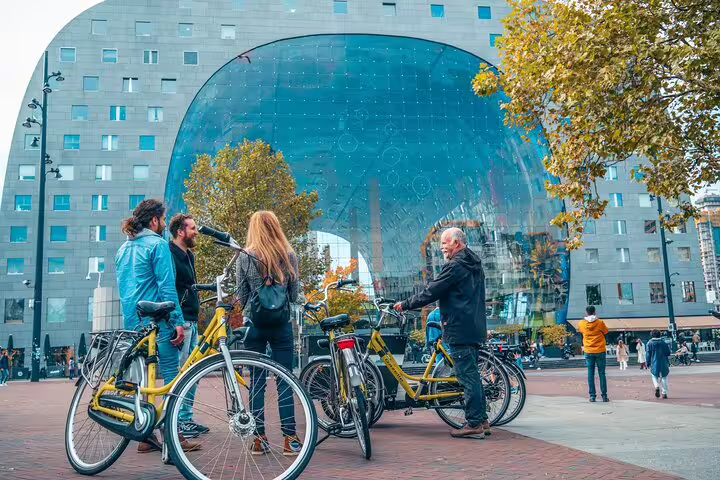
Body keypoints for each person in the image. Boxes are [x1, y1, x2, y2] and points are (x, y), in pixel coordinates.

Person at [115, 199, 199, 453]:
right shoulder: (158, 245)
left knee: (144, 379)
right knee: (173, 375)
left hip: (134, 324)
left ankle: (145, 435)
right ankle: (174, 435)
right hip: (158, 322)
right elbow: (166, 287)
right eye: (163, 220)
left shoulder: (122, 250)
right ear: (154, 221)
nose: (164, 224)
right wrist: (177, 323)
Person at [393, 227, 489, 438]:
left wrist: (405, 304)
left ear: (456, 243)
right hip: (474, 326)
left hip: (459, 328)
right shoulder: (474, 263)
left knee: (467, 377)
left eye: (445, 243)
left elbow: (432, 291)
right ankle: (482, 419)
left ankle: (474, 424)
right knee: (473, 375)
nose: (442, 247)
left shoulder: (455, 266)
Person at [235, 211, 302, 456]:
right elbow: (294, 296)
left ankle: (259, 439)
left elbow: (241, 298)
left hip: (256, 325)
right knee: (285, 379)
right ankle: (290, 439)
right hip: (282, 326)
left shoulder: (245, 256)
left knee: (257, 383)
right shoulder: (290, 256)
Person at [168, 213, 209, 437]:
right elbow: (170, 288)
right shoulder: (170, 254)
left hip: (192, 319)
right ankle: (178, 421)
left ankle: (185, 418)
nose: (195, 232)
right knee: (181, 372)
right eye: (192, 228)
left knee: (192, 372)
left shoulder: (189, 255)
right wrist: (177, 321)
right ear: (180, 231)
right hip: (181, 320)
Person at [577, 305, 609, 402]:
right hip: (600, 350)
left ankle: (592, 396)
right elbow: (606, 331)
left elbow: (581, 331)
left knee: (590, 374)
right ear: (594, 312)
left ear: (586, 313)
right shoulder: (600, 323)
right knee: (602, 373)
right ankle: (604, 396)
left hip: (588, 351)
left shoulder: (581, 323)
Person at [646, 329, 671, 399]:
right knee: (664, 377)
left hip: (654, 362)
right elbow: (668, 353)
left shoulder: (649, 343)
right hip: (663, 361)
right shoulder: (663, 343)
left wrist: (647, 363)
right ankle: (664, 392)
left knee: (654, 376)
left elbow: (648, 354)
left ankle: (656, 386)